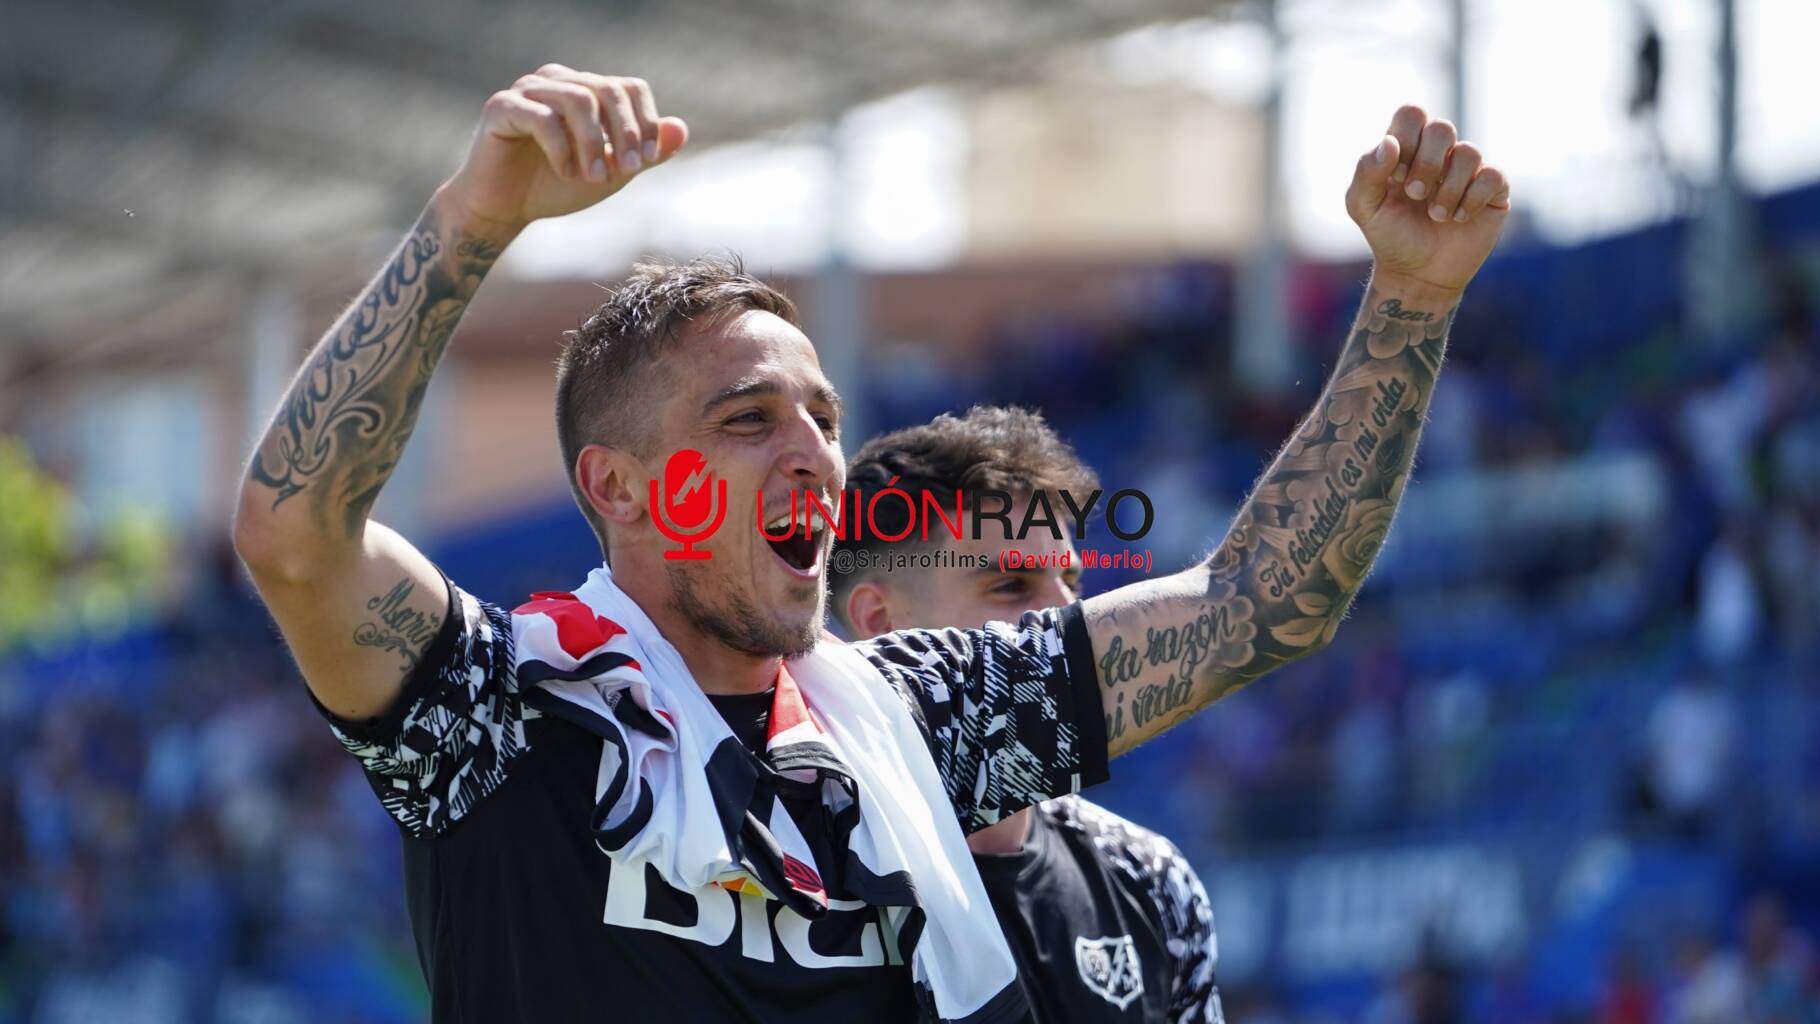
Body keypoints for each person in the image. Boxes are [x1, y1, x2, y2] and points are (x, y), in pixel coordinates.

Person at [231, 63, 1511, 1022]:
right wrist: (473, 225)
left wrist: (1408, 296)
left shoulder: (910, 715)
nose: (810, 453)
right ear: (618, 488)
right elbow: (295, 533)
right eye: (747, 419)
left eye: (823, 418)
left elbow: (1259, 604)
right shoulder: (504, 714)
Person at [831, 405, 1222, 1022]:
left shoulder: (1150, 880)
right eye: (1012, 587)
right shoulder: (803, 861)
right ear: (881, 626)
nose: (1065, 618)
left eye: (1070, 584)